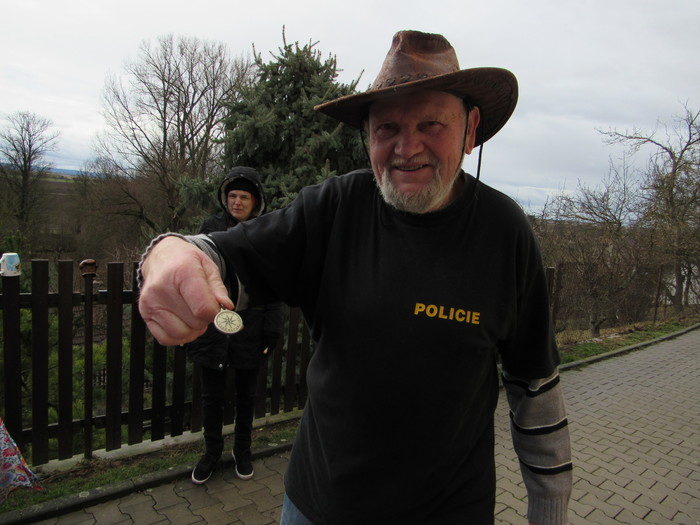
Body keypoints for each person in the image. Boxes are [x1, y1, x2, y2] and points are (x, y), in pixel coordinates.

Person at [138, 30, 572, 524]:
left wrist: (549, 508)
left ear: (470, 129)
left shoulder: (504, 232)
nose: (407, 148)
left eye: (431, 123)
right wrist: (168, 251)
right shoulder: (335, 209)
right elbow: (223, 255)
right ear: (368, 137)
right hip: (320, 506)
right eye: (387, 128)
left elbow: (535, 385)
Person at [187, 167, 283, 484]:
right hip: (213, 327)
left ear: (255, 202)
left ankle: (243, 452)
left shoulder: (265, 233)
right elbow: (194, 276)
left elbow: (273, 285)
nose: (237, 202)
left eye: (244, 197)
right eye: (232, 196)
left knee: (246, 397)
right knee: (211, 398)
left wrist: (271, 329)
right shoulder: (210, 230)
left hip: (250, 328)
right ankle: (211, 453)